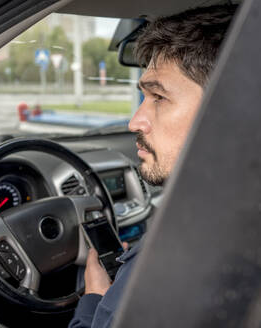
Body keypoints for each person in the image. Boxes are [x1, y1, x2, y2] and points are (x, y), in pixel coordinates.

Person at [69, 5, 237, 328]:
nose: (135, 122)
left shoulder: (166, 265)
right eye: (143, 97)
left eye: (158, 97)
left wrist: (94, 299)